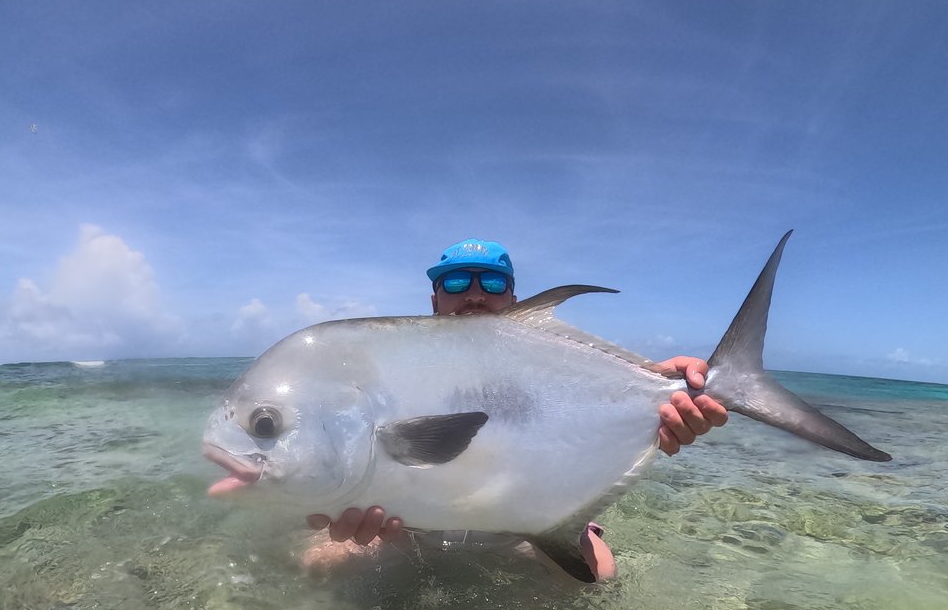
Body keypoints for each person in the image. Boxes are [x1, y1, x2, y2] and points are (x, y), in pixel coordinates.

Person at [304, 238, 729, 581]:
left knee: (600, 581)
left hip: (520, 530)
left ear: (512, 298)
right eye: (454, 284)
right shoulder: (392, 367)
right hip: (415, 531)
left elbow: (600, 394)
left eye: (491, 283)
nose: (473, 295)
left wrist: (664, 390)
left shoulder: (554, 364)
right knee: (316, 566)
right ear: (434, 301)